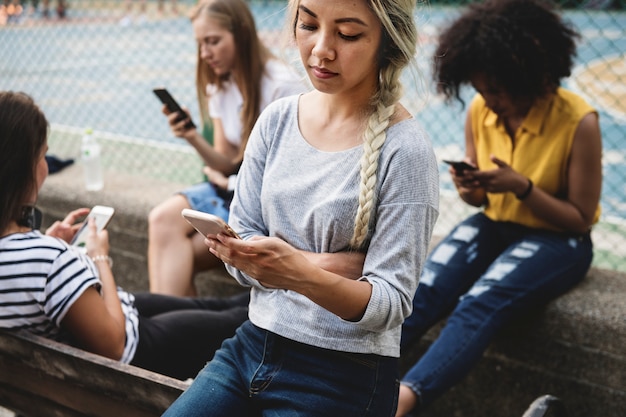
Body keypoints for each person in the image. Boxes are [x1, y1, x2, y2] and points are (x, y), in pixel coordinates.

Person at [162, 0, 439, 415]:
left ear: (388, 42)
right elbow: (241, 247)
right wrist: (325, 265)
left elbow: (390, 303)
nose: (321, 49)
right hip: (252, 342)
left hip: (343, 373)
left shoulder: (407, 151)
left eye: (347, 34)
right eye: (308, 25)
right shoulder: (275, 121)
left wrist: (299, 274)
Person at [395, 0, 603, 415]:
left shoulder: (579, 121)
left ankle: (402, 401)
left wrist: (522, 188)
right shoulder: (480, 111)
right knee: (424, 290)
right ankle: (344, 367)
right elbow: (480, 201)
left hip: (561, 240)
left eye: (498, 91)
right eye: (480, 90)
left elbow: (579, 218)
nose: (488, 101)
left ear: (532, 75)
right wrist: (469, 185)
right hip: (495, 223)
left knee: (480, 302)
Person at [0, 90, 250, 381]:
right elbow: (114, 347)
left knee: (222, 306)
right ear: (23, 168)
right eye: (43, 155)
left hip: (85, 354)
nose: (45, 164)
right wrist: (98, 257)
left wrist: (52, 245)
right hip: (138, 351)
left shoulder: (35, 253)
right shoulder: (47, 260)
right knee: (242, 318)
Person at [147, 0, 307, 296]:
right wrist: (192, 136)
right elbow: (224, 160)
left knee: (177, 252)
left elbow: (289, 175)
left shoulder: (281, 87)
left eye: (213, 41)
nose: (205, 53)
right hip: (229, 189)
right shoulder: (220, 84)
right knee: (161, 219)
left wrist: (231, 179)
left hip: (260, 203)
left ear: (242, 34)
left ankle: (166, 332)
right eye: (200, 44)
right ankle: (170, 331)